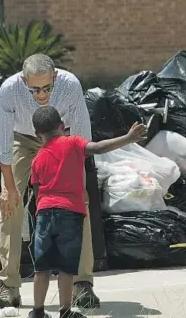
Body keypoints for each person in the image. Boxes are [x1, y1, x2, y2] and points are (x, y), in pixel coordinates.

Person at [0, 54, 100, 310]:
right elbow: (2, 144)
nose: (41, 94)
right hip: (22, 139)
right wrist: (9, 189)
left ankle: (82, 284)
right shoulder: (8, 90)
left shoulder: (71, 85)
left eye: (46, 88)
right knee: (10, 206)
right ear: (23, 79)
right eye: (34, 89)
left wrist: (77, 182)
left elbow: (82, 138)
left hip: (63, 140)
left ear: (55, 77)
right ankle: (9, 287)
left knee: (77, 205)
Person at [28, 106, 147, 318]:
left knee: (42, 267)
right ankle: (65, 311)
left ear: (38, 135)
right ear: (62, 127)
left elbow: (38, 193)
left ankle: (38, 311)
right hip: (70, 213)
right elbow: (99, 148)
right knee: (67, 267)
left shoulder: (37, 159)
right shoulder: (73, 142)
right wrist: (128, 138)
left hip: (45, 214)